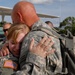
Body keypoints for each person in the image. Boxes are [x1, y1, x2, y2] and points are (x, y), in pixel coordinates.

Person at [11, 1, 63, 75]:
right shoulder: (51, 32)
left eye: (13, 21)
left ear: (19, 16)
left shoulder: (32, 38)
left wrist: (35, 59)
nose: (14, 24)